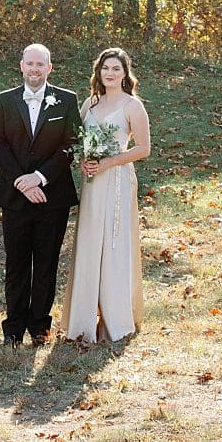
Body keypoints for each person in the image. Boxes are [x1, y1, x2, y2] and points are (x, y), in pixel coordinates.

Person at [0, 44, 81, 347]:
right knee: (16, 263)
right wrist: (22, 182)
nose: (35, 69)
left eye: (41, 64)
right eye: (30, 63)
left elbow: (71, 144)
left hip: (52, 195)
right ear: (21, 66)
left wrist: (40, 179)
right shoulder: (4, 101)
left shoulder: (67, 100)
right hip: (14, 196)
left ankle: (40, 326)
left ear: (49, 68)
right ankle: (13, 328)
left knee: (46, 262)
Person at [59, 47, 150, 345]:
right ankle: (83, 318)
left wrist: (109, 161)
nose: (109, 73)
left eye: (115, 69)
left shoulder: (132, 106)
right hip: (92, 182)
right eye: (105, 68)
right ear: (98, 72)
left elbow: (143, 149)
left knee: (113, 243)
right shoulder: (90, 104)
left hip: (118, 181)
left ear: (125, 74)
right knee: (89, 241)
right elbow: (78, 141)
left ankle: (114, 317)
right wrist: (84, 160)